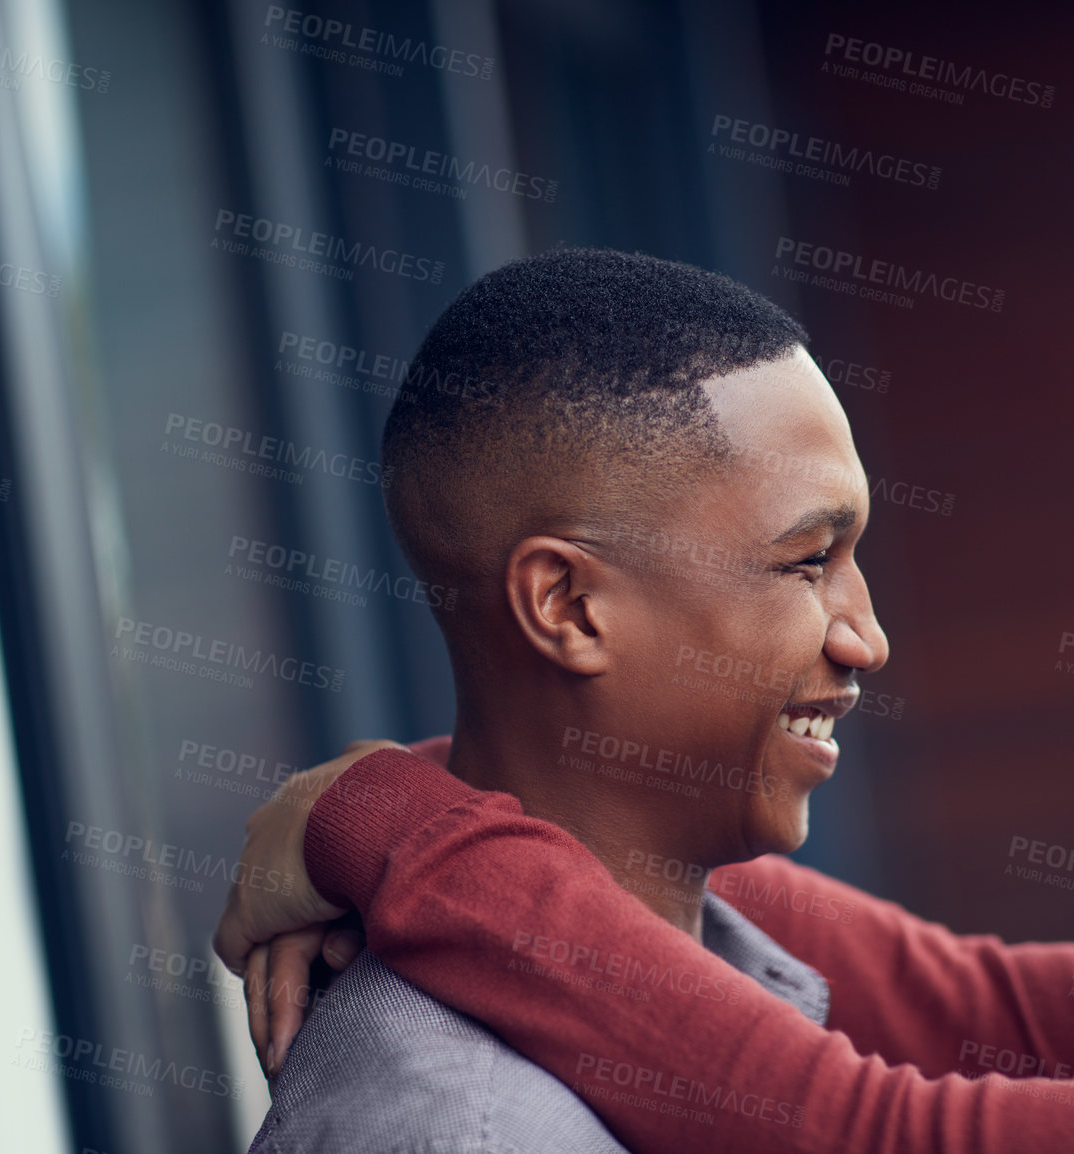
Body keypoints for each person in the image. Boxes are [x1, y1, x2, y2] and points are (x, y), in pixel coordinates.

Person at [217, 245, 1074, 1153]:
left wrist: (398, 822)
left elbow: (878, 1136)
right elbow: (972, 1000)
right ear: (565, 609)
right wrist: (424, 800)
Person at [234, 246, 888, 1152]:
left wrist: (379, 813)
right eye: (809, 562)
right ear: (570, 608)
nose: (866, 640)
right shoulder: (468, 1133)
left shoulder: (746, 968)